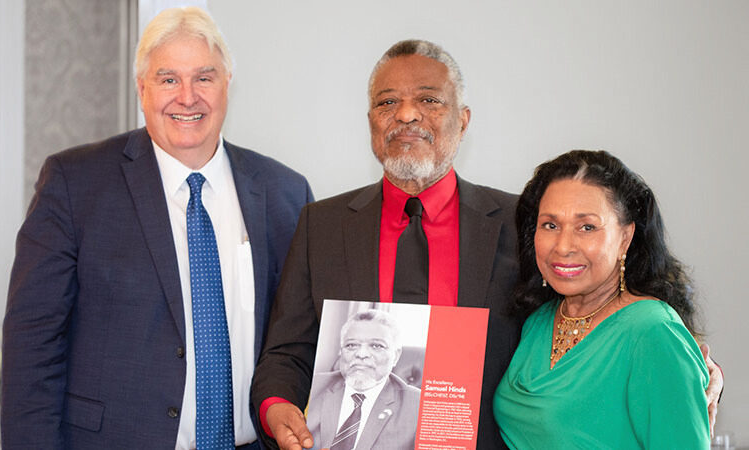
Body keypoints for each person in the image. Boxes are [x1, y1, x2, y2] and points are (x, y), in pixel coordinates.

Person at [250, 40, 723, 450]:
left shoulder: (526, 225)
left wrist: (694, 368)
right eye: (387, 102)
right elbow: (285, 352)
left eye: (429, 99)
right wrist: (275, 408)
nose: (407, 114)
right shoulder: (321, 224)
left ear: (464, 119)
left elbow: (608, 317)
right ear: (371, 120)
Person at [1, 7, 312, 449]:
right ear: (142, 89)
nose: (187, 97)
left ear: (227, 85)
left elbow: (300, 340)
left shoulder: (286, 193)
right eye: (168, 79)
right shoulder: (75, 184)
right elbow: (33, 346)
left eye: (204, 78)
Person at [493, 150, 710, 448]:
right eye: (550, 225)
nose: (563, 246)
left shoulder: (652, 331)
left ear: (625, 237)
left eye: (587, 227)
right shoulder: (538, 322)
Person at [306, 309, 420, 450]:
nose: (361, 354)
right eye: (352, 345)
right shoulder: (312, 387)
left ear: (395, 356)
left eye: (376, 346)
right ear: (341, 351)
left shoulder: (419, 406)